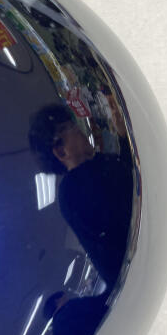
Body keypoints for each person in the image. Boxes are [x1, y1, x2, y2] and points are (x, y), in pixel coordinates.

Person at [29, 102, 133, 290]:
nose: (78, 128)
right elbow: (123, 204)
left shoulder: (96, 164)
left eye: (72, 123)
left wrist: (123, 137)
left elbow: (126, 173)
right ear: (61, 151)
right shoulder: (72, 192)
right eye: (68, 127)